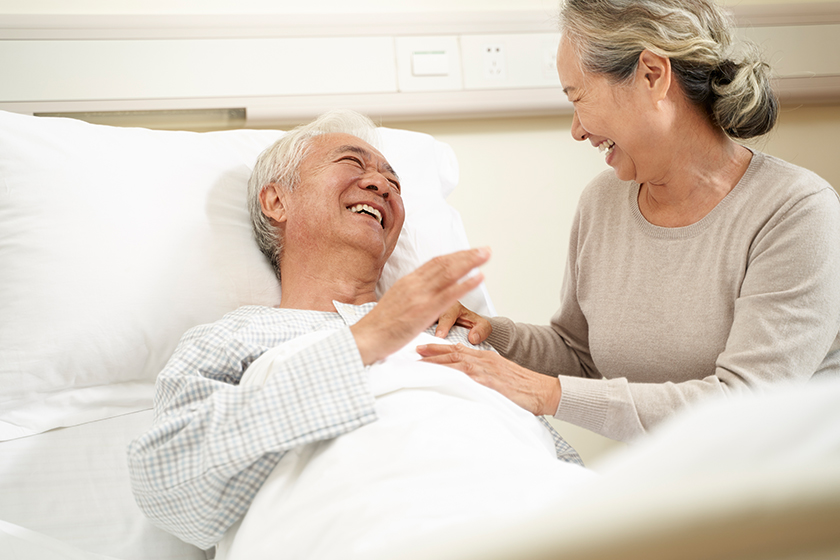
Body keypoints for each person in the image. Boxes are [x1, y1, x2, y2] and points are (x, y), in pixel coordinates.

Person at [127, 109, 585, 555]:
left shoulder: (453, 333)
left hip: (545, 515)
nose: (381, 184)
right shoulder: (231, 339)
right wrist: (362, 343)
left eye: (395, 182)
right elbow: (170, 489)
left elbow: (556, 457)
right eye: (351, 163)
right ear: (276, 202)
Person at [422, 0, 840, 442]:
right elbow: (579, 354)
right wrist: (491, 335)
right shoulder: (602, 203)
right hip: (668, 483)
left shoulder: (796, 212)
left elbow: (747, 404)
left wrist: (549, 394)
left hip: (791, 492)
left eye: (578, 96)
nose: (577, 130)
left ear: (652, 76)